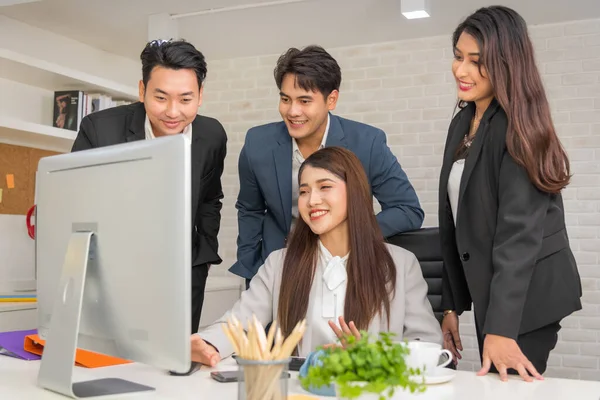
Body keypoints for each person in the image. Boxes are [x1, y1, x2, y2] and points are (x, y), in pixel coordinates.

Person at [191, 147, 441, 365]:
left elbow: (427, 344)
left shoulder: (400, 263)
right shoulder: (280, 263)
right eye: (304, 191)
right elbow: (239, 323)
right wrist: (207, 344)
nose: (312, 200)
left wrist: (371, 356)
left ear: (354, 193)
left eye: (325, 187)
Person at [438, 6, 582, 382]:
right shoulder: (463, 120)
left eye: (477, 61)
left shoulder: (519, 127)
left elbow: (519, 236)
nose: (461, 70)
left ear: (505, 63)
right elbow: (453, 222)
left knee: (509, 389)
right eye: (458, 57)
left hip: (528, 293)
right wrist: (449, 305)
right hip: (493, 286)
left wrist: (501, 329)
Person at [230, 45, 424, 287]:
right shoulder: (257, 144)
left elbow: (407, 209)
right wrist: (252, 267)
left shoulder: (367, 143)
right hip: (278, 266)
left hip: (346, 268)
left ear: (331, 100)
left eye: (304, 101)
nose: (292, 111)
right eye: (285, 99)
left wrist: (348, 236)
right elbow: (249, 209)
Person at [71, 39, 227, 334]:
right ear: (142, 91)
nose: (173, 112)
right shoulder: (99, 129)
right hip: (115, 271)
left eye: (185, 99)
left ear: (200, 95)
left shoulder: (212, 134)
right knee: (116, 360)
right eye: (161, 97)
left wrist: (204, 255)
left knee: (178, 360)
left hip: (185, 267)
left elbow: (210, 198)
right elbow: (77, 205)